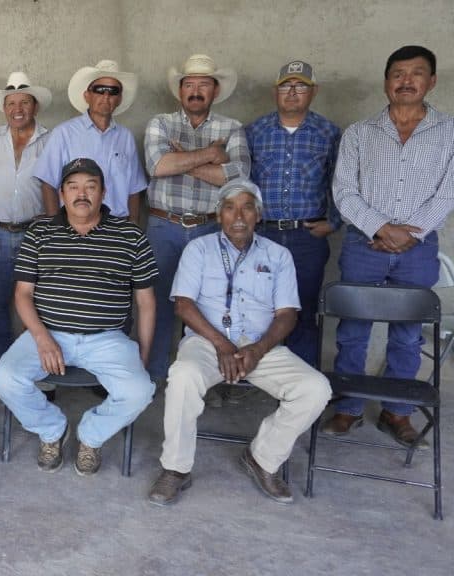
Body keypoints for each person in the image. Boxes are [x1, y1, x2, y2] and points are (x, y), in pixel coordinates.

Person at [148, 180, 330, 506]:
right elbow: (183, 305)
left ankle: (262, 458)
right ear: (219, 214)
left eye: (247, 207)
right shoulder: (198, 249)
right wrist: (221, 344)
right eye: (230, 207)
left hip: (261, 346)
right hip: (208, 341)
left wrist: (257, 350)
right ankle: (176, 468)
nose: (238, 216)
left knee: (316, 388)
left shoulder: (279, 255)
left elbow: (287, 314)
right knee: (183, 377)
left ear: (258, 215)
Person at [0, 158, 157, 476]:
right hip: (49, 333)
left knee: (140, 390)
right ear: (62, 194)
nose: (82, 194)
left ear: (103, 193)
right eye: (73, 187)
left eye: (91, 187)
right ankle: (52, 429)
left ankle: (91, 436)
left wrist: (143, 357)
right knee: (3, 377)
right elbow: (22, 294)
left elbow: (146, 302)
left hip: (107, 338)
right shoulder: (40, 232)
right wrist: (42, 337)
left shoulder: (130, 235)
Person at [324, 45, 454, 447]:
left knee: (407, 332)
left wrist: (409, 235)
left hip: (418, 248)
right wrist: (380, 228)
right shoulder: (360, 133)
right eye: (398, 73)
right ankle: (347, 407)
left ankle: (397, 413)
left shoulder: (449, 132)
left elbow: (448, 193)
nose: (406, 80)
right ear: (386, 82)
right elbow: (343, 191)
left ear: (431, 82)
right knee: (353, 329)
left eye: (416, 73)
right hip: (365, 244)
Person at [144, 53, 250, 384]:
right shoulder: (160, 123)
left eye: (203, 84)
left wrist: (182, 158)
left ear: (215, 91)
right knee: (158, 304)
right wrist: (211, 156)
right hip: (163, 226)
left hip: (209, 227)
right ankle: (153, 378)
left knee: (208, 308)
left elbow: (237, 177)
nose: (195, 90)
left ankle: (203, 380)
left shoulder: (231, 127)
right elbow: (157, 167)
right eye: (189, 84)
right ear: (179, 91)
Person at [246, 60, 341, 366]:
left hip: (306, 238)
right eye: (286, 85)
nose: (292, 92)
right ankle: (250, 376)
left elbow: (340, 183)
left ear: (313, 92)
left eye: (300, 86)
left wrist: (334, 222)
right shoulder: (254, 132)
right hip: (262, 235)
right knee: (256, 309)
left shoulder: (328, 133)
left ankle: (304, 389)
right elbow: (241, 182)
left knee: (301, 311)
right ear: (276, 91)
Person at [0, 71, 51, 364]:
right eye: (11, 103)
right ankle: (3, 365)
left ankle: (35, 365)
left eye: (24, 102)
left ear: (35, 106)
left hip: (36, 235)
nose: (18, 109)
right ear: (4, 109)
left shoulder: (51, 141)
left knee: (39, 304)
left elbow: (59, 186)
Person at [34, 60, 146, 223]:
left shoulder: (126, 137)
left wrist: (133, 226)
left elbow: (134, 189)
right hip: (77, 228)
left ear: (119, 99)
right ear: (87, 95)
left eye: (113, 91)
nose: (106, 96)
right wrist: (57, 228)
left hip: (118, 228)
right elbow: (48, 184)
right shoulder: (64, 133)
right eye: (99, 90)